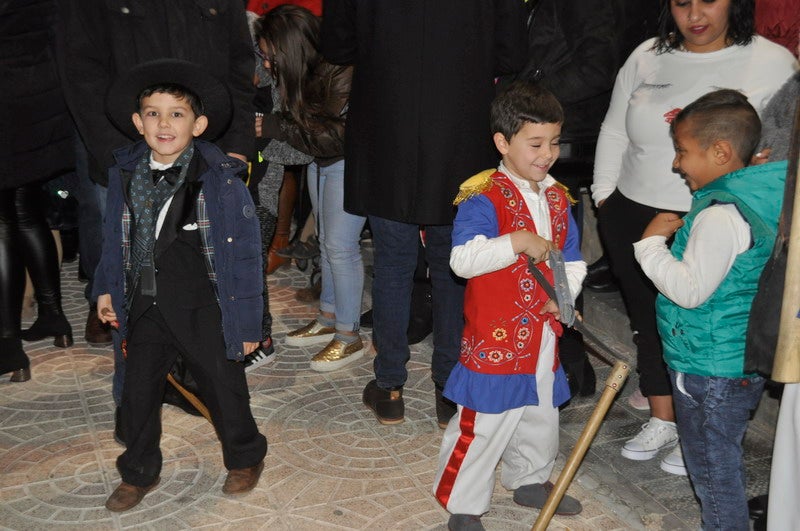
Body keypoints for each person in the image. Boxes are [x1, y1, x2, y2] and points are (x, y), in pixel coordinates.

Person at [591, 0, 797, 475]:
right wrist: (606, 198)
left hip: (723, 222)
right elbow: (613, 129)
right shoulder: (646, 55)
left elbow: (788, 150)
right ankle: (664, 417)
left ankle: (706, 428)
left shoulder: (774, 61)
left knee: (714, 328)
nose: (695, 13)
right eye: (682, 2)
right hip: (638, 214)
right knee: (650, 320)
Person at [321, 0, 528, 427]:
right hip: (459, 132)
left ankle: (390, 385)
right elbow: (511, 54)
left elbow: (337, 44)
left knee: (393, 264)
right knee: (454, 266)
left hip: (387, 129)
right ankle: (448, 389)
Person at [57, 0, 258, 428]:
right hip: (128, 154)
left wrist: (238, 140)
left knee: (205, 271)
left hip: (208, 148)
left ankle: (201, 381)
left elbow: (239, 63)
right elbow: (80, 68)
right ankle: (135, 405)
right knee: (131, 275)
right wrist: (125, 157)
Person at [95, 60, 267, 512]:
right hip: (143, 304)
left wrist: (249, 322)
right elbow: (112, 236)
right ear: (138, 122)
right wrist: (106, 289)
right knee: (137, 394)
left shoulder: (222, 181)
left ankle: (246, 455)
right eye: (153, 113)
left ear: (199, 124)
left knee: (224, 386)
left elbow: (246, 257)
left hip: (204, 305)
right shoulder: (124, 174)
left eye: (177, 114)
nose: (164, 123)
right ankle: (137, 471)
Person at [432, 82, 586, 531]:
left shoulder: (559, 198)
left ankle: (530, 478)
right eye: (535, 143)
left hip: (542, 333)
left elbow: (571, 260)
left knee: (541, 411)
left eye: (554, 142)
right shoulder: (483, 195)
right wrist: (517, 241)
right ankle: (463, 502)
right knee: (485, 420)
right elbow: (462, 260)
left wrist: (564, 298)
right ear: (503, 142)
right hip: (495, 335)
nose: (548, 154)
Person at [634, 89, 781, 530]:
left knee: (713, 474)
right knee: (720, 464)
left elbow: (690, 290)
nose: (677, 164)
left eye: (682, 151)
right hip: (731, 358)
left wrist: (648, 246)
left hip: (710, 367)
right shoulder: (759, 194)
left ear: (720, 152)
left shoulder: (720, 215)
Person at [255, 5, 362, 372]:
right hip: (322, 161)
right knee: (327, 248)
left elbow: (335, 137)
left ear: (291, 47)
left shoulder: (341, 68)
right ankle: (329, 316)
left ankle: (349, 336)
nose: (267, 65)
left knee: (341, 249)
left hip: (348, 162)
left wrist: (274, 126)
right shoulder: (304, 70)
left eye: (271, 57)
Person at [1, 0, 75, 381]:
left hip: (7, 96)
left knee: (3, 220)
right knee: (26, 207)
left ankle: (7, 342)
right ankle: (53, 315)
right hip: (39, 97)